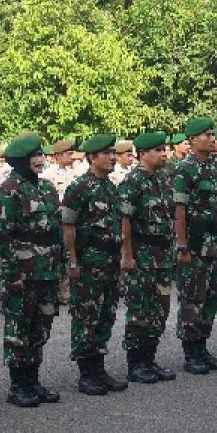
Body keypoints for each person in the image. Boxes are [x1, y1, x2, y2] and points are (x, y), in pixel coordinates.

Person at [0, 134, 62, 408]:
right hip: (23, 271)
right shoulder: (8, 190)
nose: (39, 160)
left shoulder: (47, 188)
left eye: (40, 155)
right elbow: (2, 237)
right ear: (20, 161)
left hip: (47, 270)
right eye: (33, 157)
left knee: (41, 327)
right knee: (19, 328)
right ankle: (18, 384)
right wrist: (11, 275)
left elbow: (55, 229)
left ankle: (33, 380)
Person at [61, 133, 127, 396]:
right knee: (86, 316)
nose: (112, 157)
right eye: (106, 153)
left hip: (109, 262)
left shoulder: (111, 188)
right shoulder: (78, 188)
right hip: (88, 263)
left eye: (113, 152)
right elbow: (68, 227)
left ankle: (99, 368)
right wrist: (72, 262)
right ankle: (86, 372)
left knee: (106, 315)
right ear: (91, 157)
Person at [173, 117, 217, 375]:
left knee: (210, 298)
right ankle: (191, 352)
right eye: (207, 135)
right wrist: (182, 246)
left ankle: (203, 347)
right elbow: (179, 210)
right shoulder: (185, 170)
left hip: (213, 245)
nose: (212, 139)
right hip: (195, 246)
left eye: (213, 135)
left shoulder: (214, 169)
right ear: (193, 140)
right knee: (192, 298)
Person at [118, 131, 176, 384]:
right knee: (140, 310)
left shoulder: (163, 180)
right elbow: (124, 221)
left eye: (164, 150)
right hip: (142, 256)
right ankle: (136, 363)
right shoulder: (133, 182)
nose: (164, 154)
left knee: (160, 310)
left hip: (162, 256)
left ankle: (149, 359)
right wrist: (127, 256)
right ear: (143, 154)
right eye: (158, 150)